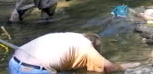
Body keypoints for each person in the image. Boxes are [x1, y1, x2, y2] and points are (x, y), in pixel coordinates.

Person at [8, 32, 140, 74]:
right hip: (37, 70)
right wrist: (135, 64)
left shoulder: (69, 37)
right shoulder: (86, 47)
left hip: (14, 62)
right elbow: (109, 67)